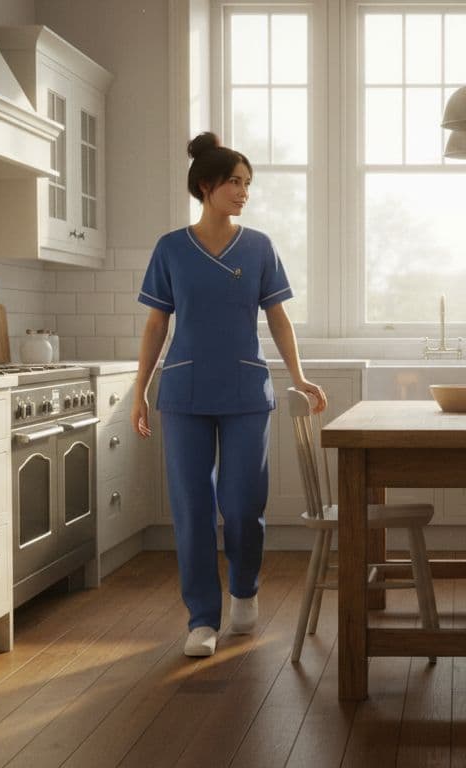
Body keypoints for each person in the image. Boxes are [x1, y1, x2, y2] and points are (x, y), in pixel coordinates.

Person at [132, 131, 327, 657]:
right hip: (184, 390)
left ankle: (244, 588)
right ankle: (201, 619)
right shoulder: (171, 249)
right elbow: (156, 326)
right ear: (206, 186)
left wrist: (298, 375)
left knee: (242, 504)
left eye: (247, 183)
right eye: (234, 183)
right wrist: (140, 389)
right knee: (192, 508)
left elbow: (279, 318)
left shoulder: (260, 246)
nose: (243, 192)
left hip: (245, 388)